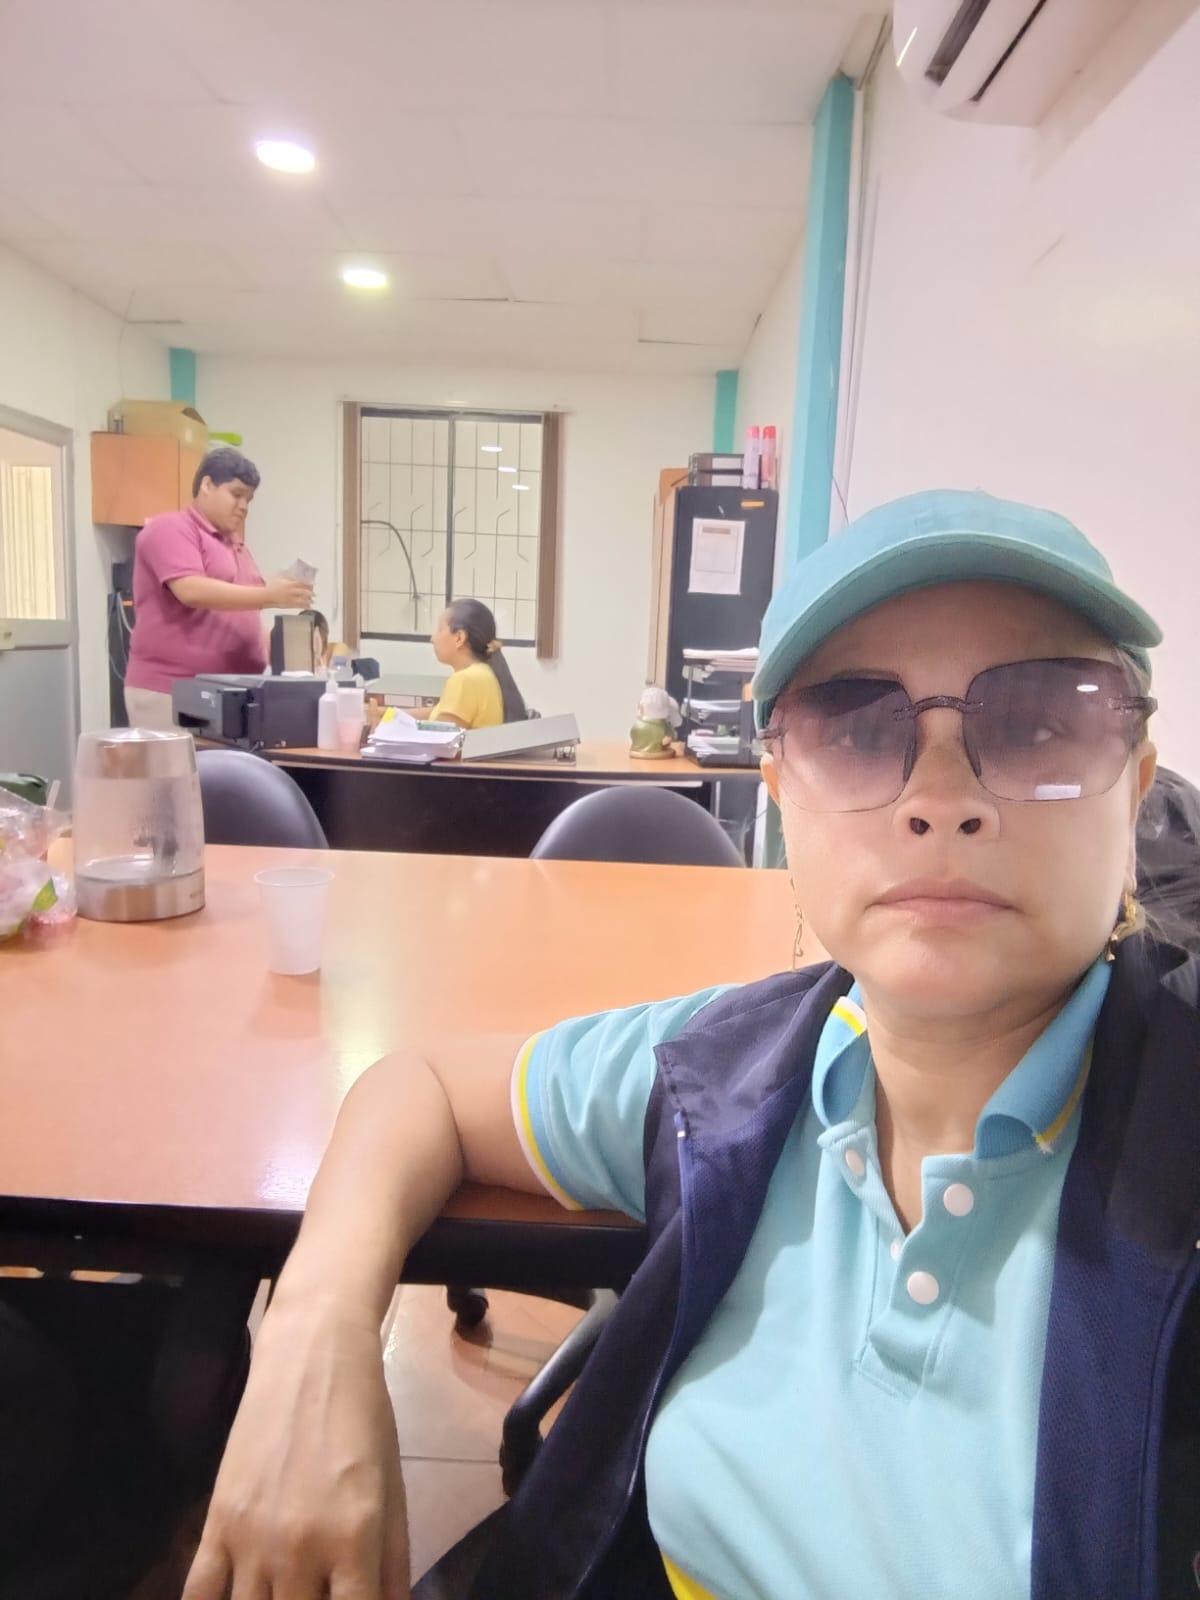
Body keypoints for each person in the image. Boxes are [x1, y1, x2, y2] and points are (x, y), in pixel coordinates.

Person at [184, 490, 1200, 1600]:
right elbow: (416, 1084)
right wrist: (316, 1332)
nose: (939, 801)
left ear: (1136, 786)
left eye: (1039, 722)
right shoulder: (735, 1074)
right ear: (780, 797)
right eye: (860, 729)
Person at [124, 448, 313, 731]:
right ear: (207, 485)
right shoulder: (170, 529)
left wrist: (288, 663)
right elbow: (191, 590)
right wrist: (270, 595)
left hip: (228, 694)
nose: (244, 506)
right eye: (236, 494)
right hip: (172, 691)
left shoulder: (235, 545)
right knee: (175, 762)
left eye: (249, 499)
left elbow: (246, 615)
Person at [428, 598, 527, 728]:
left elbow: (439, 738)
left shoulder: (465, 680)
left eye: (440, 629)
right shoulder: (484, 672)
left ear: (459, 638)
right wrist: (401, 715)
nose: (433, 638)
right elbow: (440, 711)